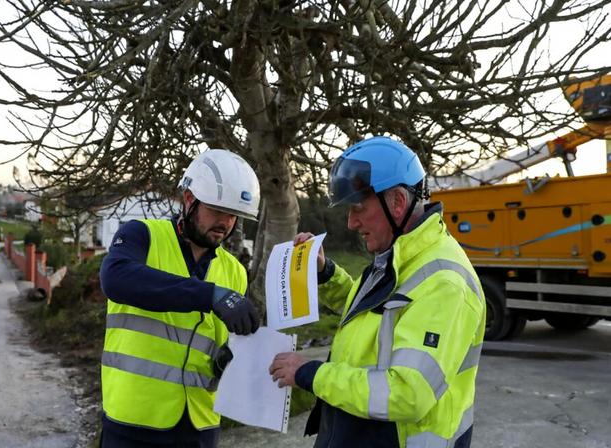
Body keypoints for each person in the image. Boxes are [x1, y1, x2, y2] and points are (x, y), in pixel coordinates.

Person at [269, 136, 486, 448]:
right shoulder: (398, 257)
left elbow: (408, 393)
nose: (351, 222)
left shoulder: (445, 284)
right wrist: (324, 273)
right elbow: (370, 314)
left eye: (358, 208)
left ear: (397, 202)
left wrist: (311, 373)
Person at [99, 149, 262, 447]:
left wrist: (232, 358)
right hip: (135, 419)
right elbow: (116, 278)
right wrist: (209, 295)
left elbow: (219, 342)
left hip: (200, 424)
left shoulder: (235, 271)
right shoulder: (141, 236)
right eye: (216, 210)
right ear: (189, 199)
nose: (225, 222)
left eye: (233, 215)